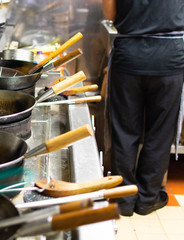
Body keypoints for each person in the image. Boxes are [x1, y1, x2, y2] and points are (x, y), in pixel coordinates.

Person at [102, 0, 184, 216]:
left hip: (130, 54)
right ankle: (148, 198)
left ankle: (124, 200)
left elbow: (109, 13)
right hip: (169, 56)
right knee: (160, 132)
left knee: (125, 131)